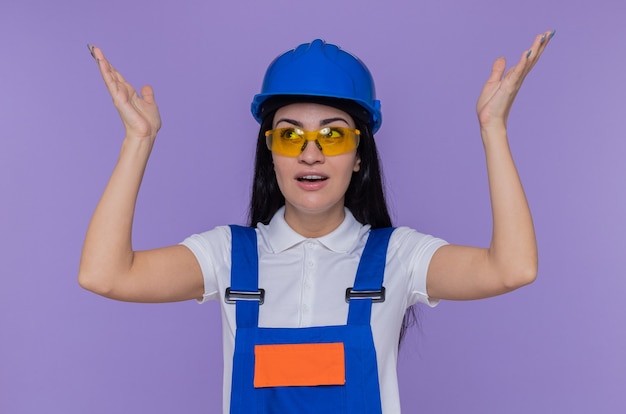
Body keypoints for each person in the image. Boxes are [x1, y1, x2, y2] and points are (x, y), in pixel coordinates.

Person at [80, 31, 554, 413]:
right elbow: (104, 274)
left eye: (332, 134)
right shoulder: (226, 256)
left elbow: (513, 268)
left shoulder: (399, 258)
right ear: (270, 154)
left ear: (358, 156)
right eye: (290, 137)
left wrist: (494, 130)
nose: (311, 153)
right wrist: (137, 140)